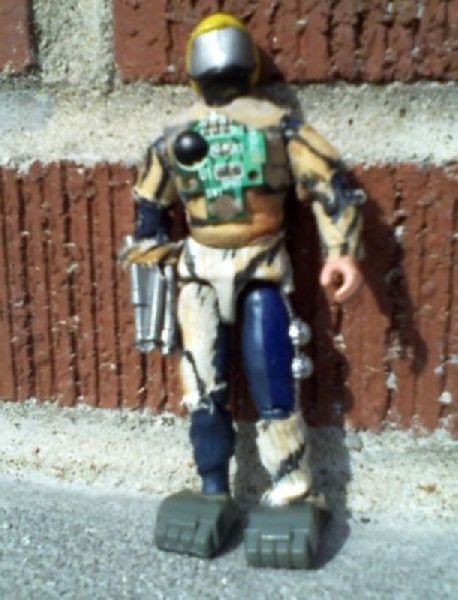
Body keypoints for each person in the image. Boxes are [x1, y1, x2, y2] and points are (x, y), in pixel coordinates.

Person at [121, 12, 365, 564]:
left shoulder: (275, 127)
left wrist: (341, 250)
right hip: (200, 267)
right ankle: (214, 487)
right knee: (202, 383)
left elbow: (330, 183)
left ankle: (291, 488)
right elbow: (149, 202)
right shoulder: (180, 136)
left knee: (272, 372)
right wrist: (150, 248)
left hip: (260, 264)